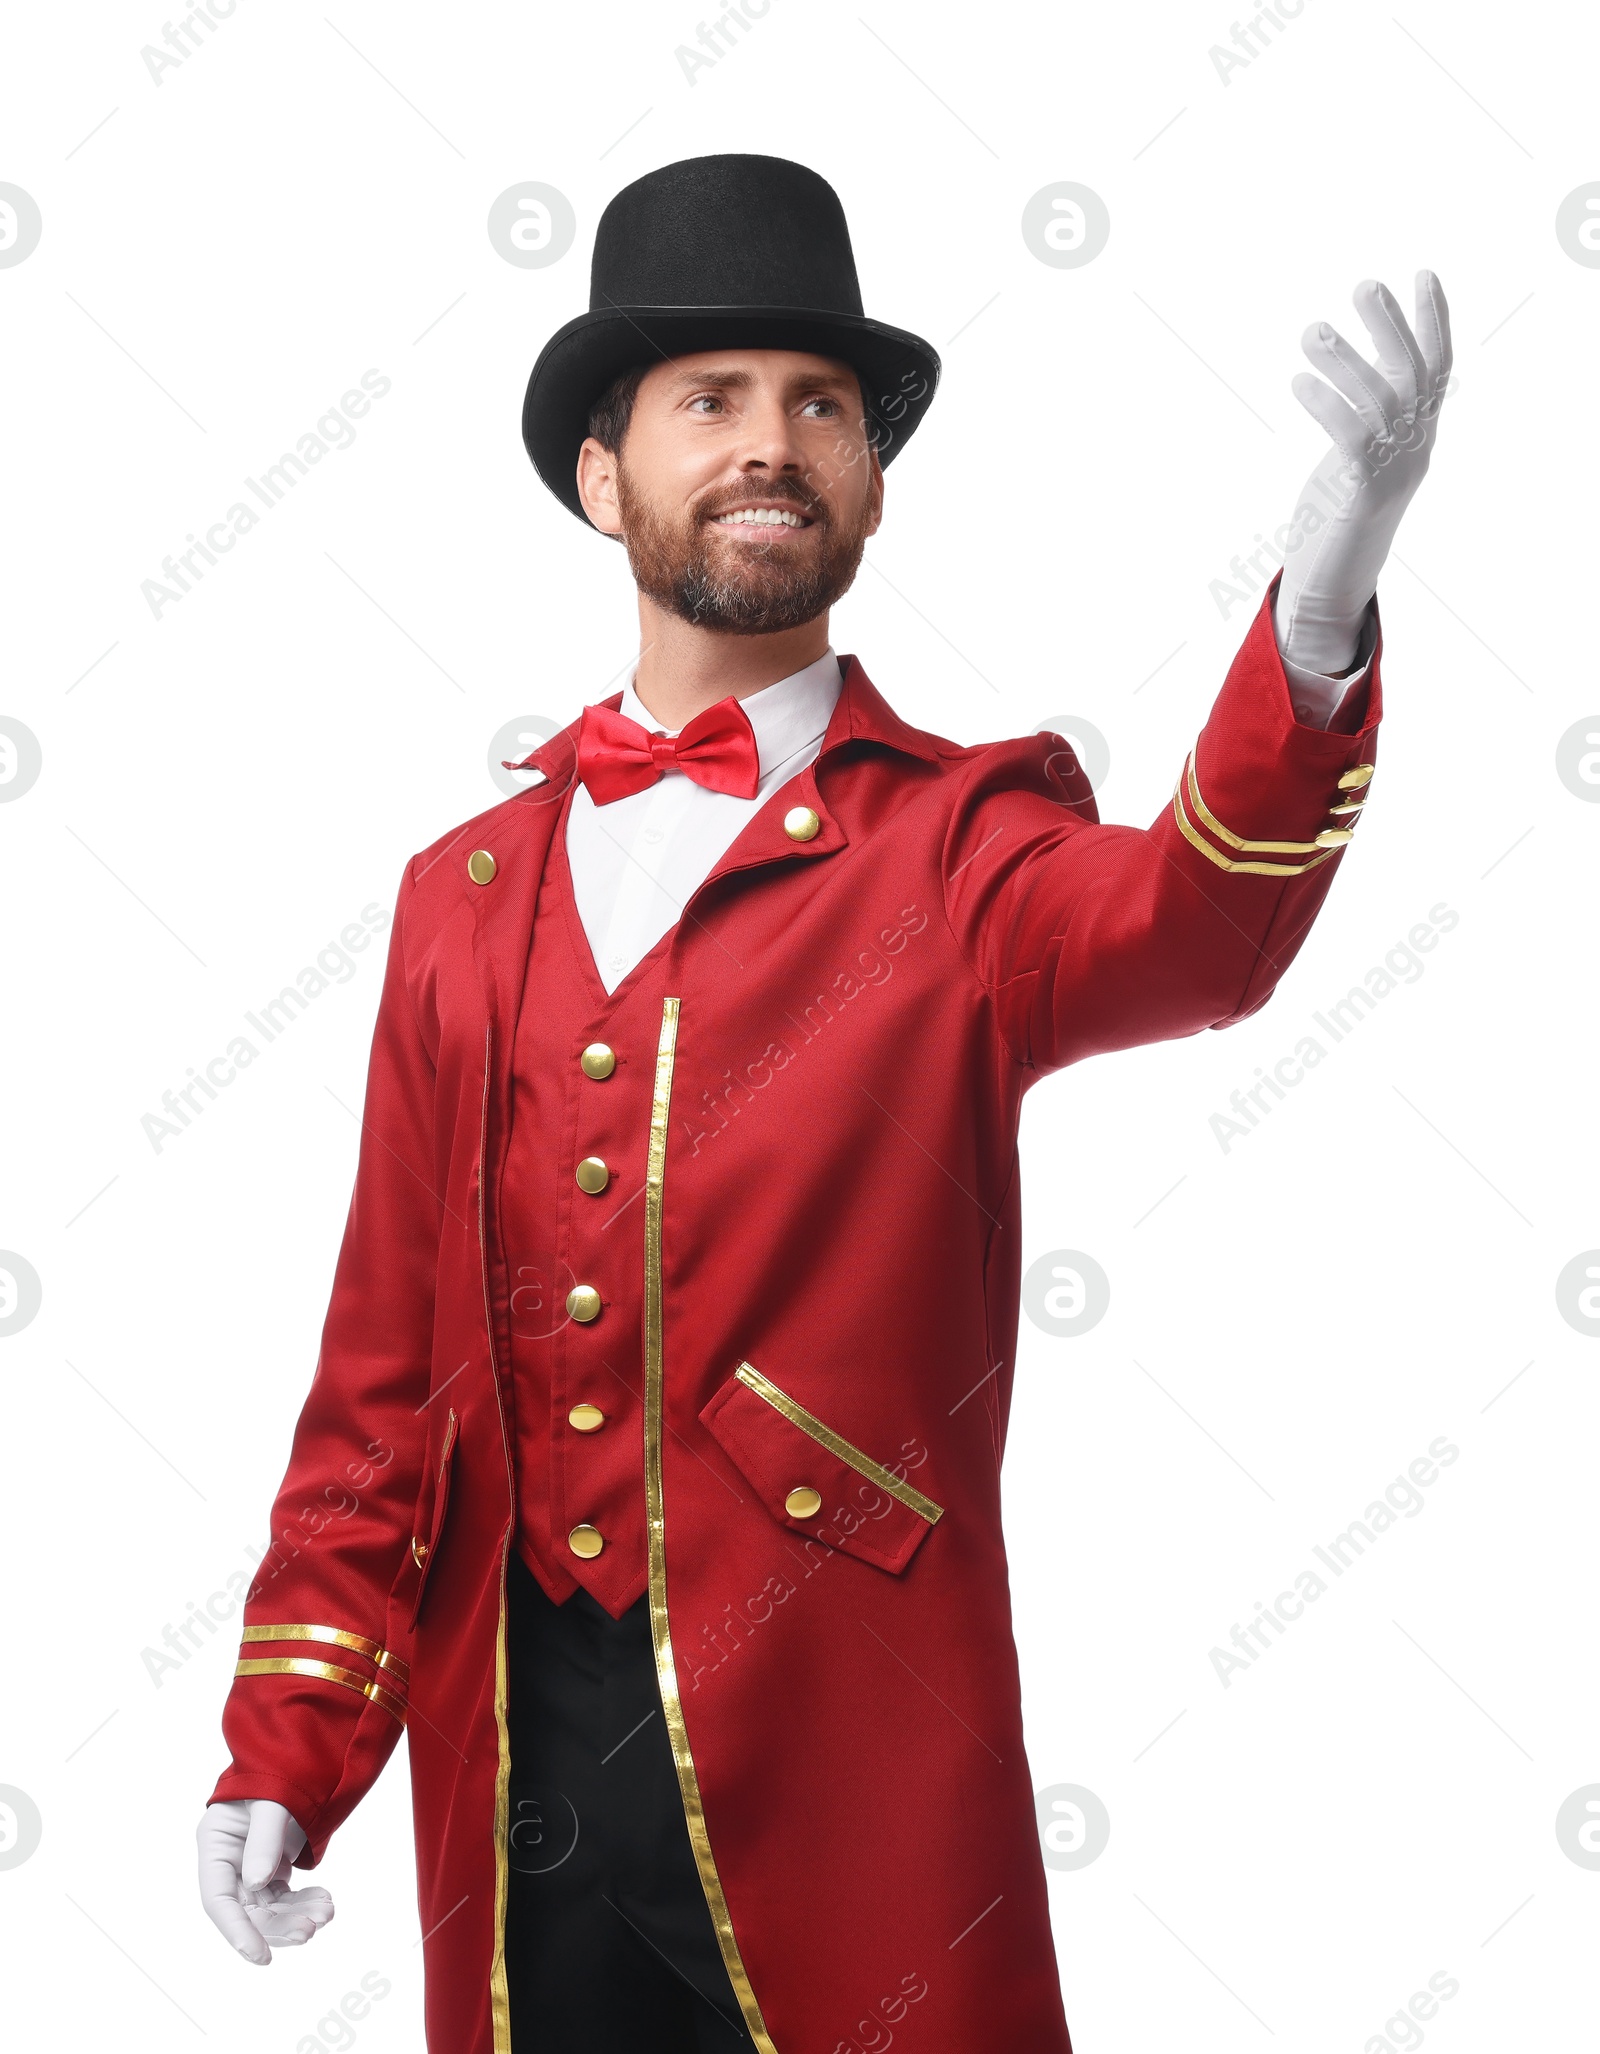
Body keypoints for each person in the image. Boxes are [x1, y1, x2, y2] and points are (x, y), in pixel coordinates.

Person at [196, 154, 1451, 2053]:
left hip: (848, 1747)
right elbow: (381, 1377)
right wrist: (288, 1741)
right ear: (602, 477)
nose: (771, 442)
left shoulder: (963, 847)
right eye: (709, 400)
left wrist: (1319, 613)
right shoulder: (457, 896)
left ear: (869, 482)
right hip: (513, 1754)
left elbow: (1198, 926)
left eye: (821, 405)